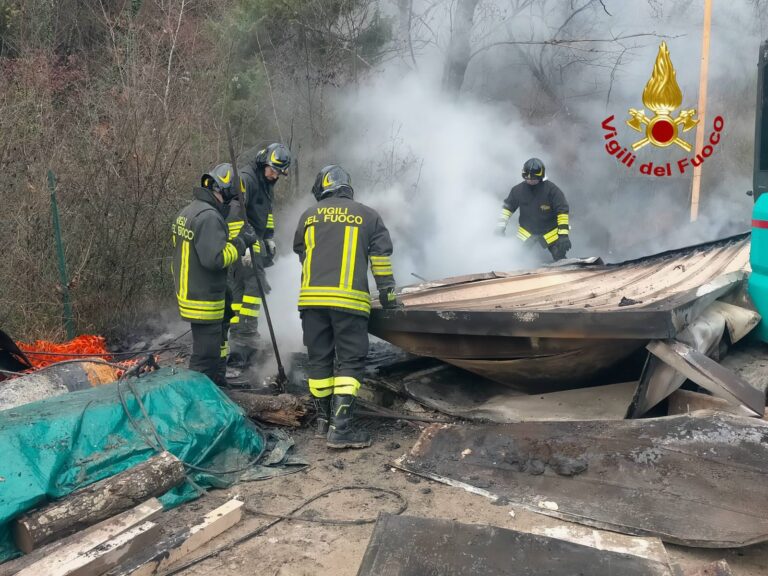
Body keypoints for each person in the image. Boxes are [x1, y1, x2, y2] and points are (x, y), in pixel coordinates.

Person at [294, 165, 401, 449]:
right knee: (350, 361)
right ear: (347, 187)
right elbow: (380, 259)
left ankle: (323, 422)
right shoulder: (368, 215)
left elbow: (302, 252)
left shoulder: (309, 215)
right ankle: (341, 429)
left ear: (323, 188)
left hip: (311, 301)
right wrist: (388, 295)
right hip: (349, 302)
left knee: (319, 360)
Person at [172, 163, 258, 385]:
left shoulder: (189, 211)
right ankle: (198, 398)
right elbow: (215, 259)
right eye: (232, 198)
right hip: (204, 299)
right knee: (204, 358)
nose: (231, 204)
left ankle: (218, 383)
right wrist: (241, 242)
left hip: (194, 291)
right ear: (225, 191)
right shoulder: (209, 217)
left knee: (219, 345)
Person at [226, 143, 291, 371]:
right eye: (273, 170)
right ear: (264, 162)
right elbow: (234, 213)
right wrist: (241, 245)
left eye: (279, 172)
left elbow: (266, 214)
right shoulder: (247, 179)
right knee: (254, 286)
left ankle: (240, 332)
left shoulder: (266, 183)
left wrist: (269, 238)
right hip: (243, 241)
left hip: (256, 240)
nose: (275, 175)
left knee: (244, 289)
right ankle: (245, 334)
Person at [495, 158, 571, 261]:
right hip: (526, 233)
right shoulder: (517, 190)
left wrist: (563, 236)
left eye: (533, 178)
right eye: (527, 178)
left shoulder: (552, 191)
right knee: (514, 258)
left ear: (541, 176)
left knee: (559, 256)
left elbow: (562, 212)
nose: (530, 180)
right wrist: (500, 227)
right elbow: (507, 209)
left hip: (550, 233)